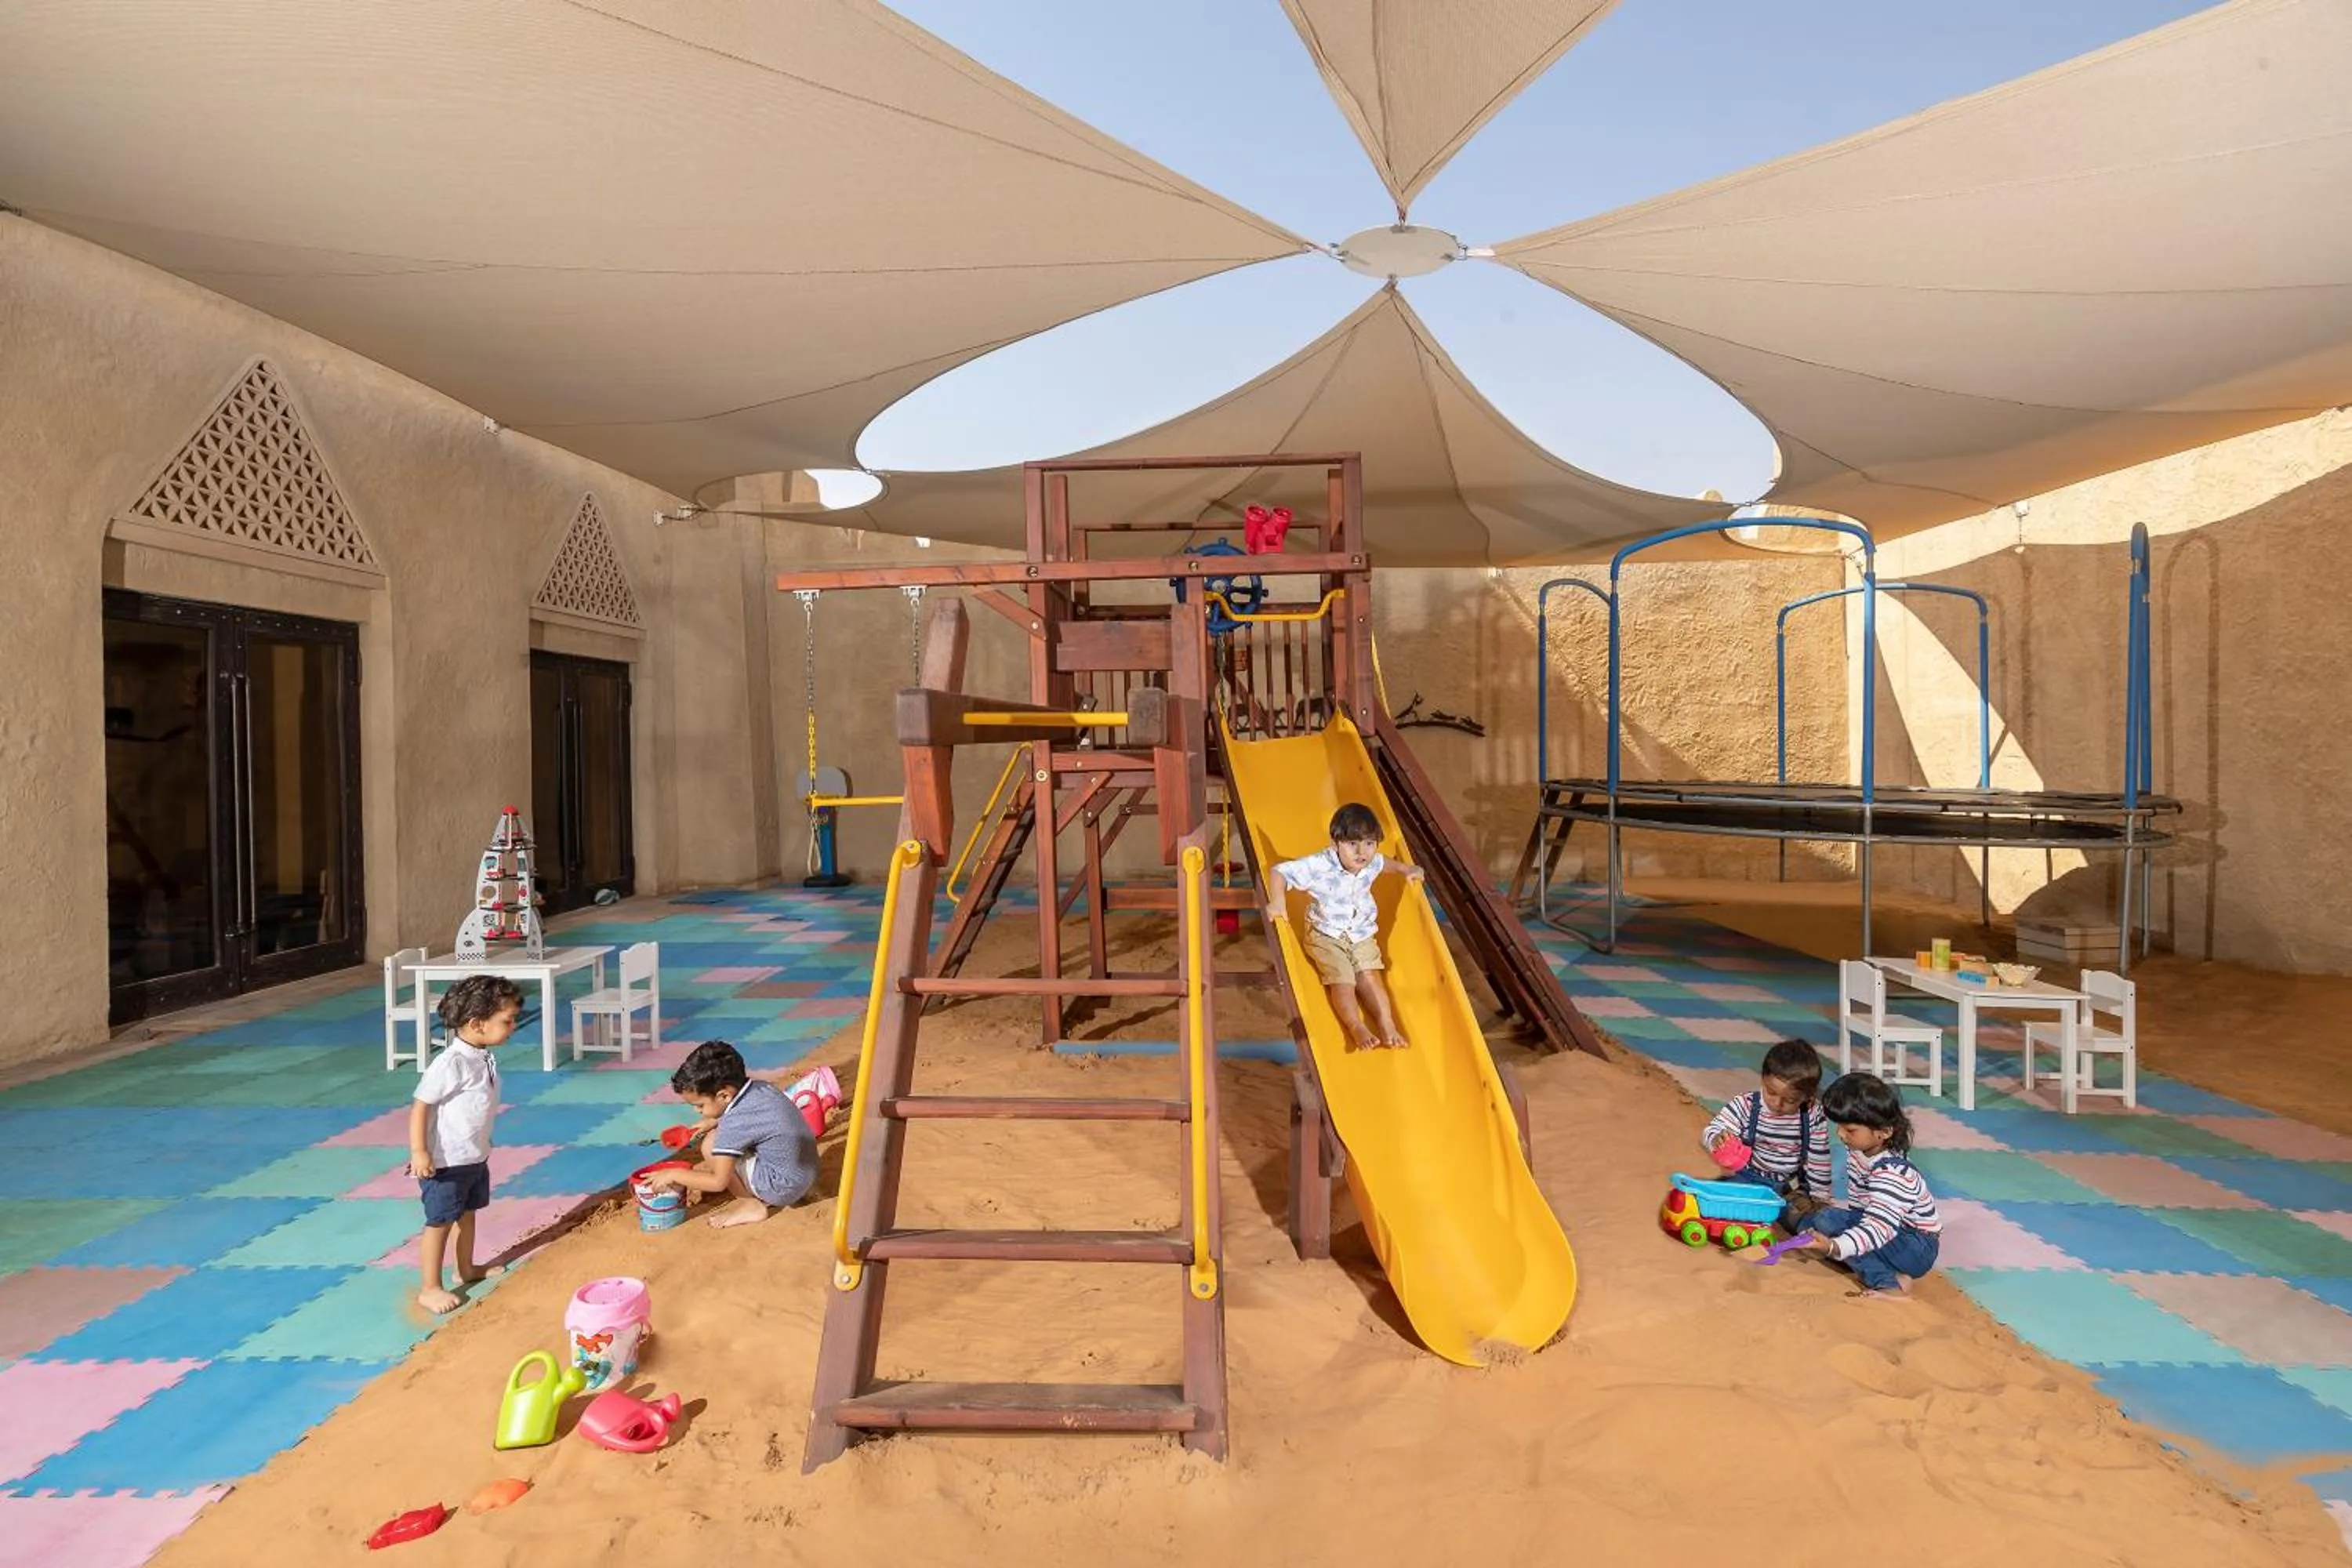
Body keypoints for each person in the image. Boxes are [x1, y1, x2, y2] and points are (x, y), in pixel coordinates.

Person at [1266, 802, 1426, 1050]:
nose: (1362, 851)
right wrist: (1277, 902)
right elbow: (1280, 872)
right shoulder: (1321, 864)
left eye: (1369, 844)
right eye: (1353, 844)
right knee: (1344, 979)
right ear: (1335, 844)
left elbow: (1385, 863)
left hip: (1361, 933)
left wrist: (1406, 869)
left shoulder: (1371, 861)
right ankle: (1355, 1025)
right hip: (1325, 935)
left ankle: (1386, 1022)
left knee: (1370, 976)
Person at [408, 973, 522, 1314]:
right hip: (445, 1162)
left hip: (473, 1156)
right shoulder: (450, 1063)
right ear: (477, 1023)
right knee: (440, 1222)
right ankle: (429, 1288)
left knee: (467, 1214)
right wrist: (420, 1152)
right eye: (507, 1020)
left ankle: (466, 1268)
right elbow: (420, 1107)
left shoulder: (481, 1055)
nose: (513, 1026)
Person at [1787, 1071, 1943, 1298]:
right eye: (1839, 1126)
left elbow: (1878, 1229)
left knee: (1826, 1221)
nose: (1840, 1134)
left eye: (1850, 1130)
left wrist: (1833, 1246)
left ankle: (1890, 1284)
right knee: (1812, 1225)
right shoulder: (1864, 1147)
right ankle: (1870, 1261)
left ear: (1884, 1132)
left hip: (1914, 1247)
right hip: (1893, 1234)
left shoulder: (1892, 1173)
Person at [641, 1040, 819, 1229]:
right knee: (722, 1138)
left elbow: (718, 1182)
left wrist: (674, 1174)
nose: (696, 1111)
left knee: (711, 1145)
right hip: (806, 1174)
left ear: (724, 1096)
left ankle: (751, 1206)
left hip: (781, 1187)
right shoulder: (761, 1088)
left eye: (700, 1105)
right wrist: (713, 1121)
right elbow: (752, 1118)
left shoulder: (732, 1126)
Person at [1700, 1038, 1833, 1217]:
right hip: (1750, 1179)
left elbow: (1819, 1160)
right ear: (1763, 1079)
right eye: (1771, 1092)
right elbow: (1713, 1129)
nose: (1777, 1104)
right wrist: (1717, 1139)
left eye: (1790, 1100)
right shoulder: (1746, 1105)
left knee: (1813, 1220)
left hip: (1791, 1189)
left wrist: (1820, 1198)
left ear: (1807, 1097)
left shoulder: (1812, 1115)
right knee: (1716, 1200)